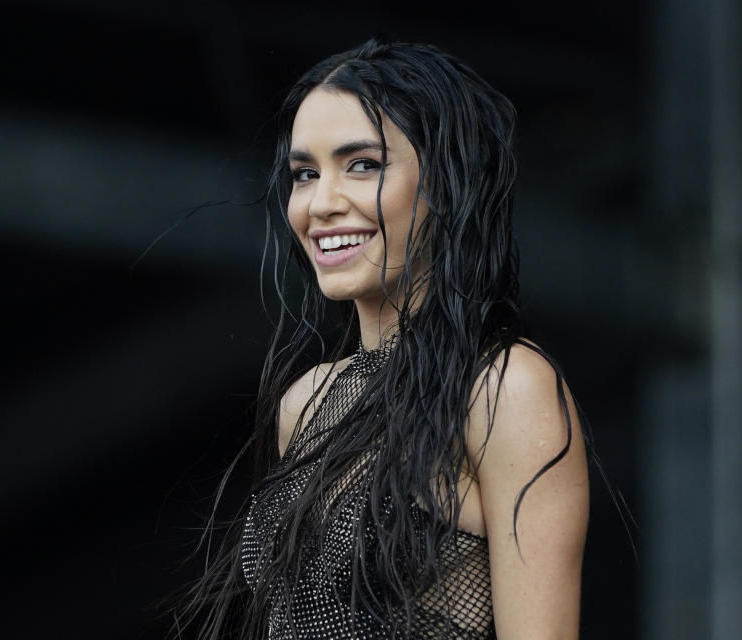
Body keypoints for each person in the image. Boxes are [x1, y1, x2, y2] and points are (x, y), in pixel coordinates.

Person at [172, 38, 590, 640]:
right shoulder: (308, 402)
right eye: (305, 174)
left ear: (447, 182)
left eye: (362, 164)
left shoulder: (505, 388)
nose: (322, 203)